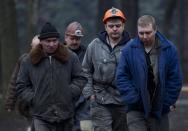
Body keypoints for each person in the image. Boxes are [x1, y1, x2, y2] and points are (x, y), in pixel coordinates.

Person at [116, 15, 182, 131]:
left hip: (160, 109)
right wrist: (133, 99)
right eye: (141, 33)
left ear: (155, 30)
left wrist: (167, 102)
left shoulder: (169, 49)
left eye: (148, 32)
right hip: (136, 109)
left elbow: (175, 78)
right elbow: (121, 77)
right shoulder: (128, 50)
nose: (144, 36)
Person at [16, 22, 86, 131]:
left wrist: (69, 93)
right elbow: (21, 85)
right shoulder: (29, 60)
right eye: (48, 41)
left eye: (54, 40)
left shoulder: (70, 57)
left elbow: (80, 78)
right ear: (41, 41)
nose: (52, 44)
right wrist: (34, 98)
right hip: (41, 115)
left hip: (65, 115)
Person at [82, 7, 130, 131]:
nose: (114, 29)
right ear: (105, 27)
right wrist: (89, 95)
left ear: (123, 26)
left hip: (124, 101)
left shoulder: (132, 46)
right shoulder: (94, 45)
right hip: (100, 99)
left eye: (118, 25)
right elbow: (85, 70)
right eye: (111, 26)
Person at [5, 35, 40, 131]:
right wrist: (10, 103)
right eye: (35, 46)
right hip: (26, 103)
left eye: (39, 46)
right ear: (31, 46)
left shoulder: (48, 61)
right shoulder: (24, 60)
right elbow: (14, 82)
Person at [64, 21, 92, 131]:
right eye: (72, 38)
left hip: (84, 102)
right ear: (66, 37)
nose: (75, 41)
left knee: (86, 128)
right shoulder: (57, 54)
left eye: (78, 38)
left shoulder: (88, 54)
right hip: (64, 100)